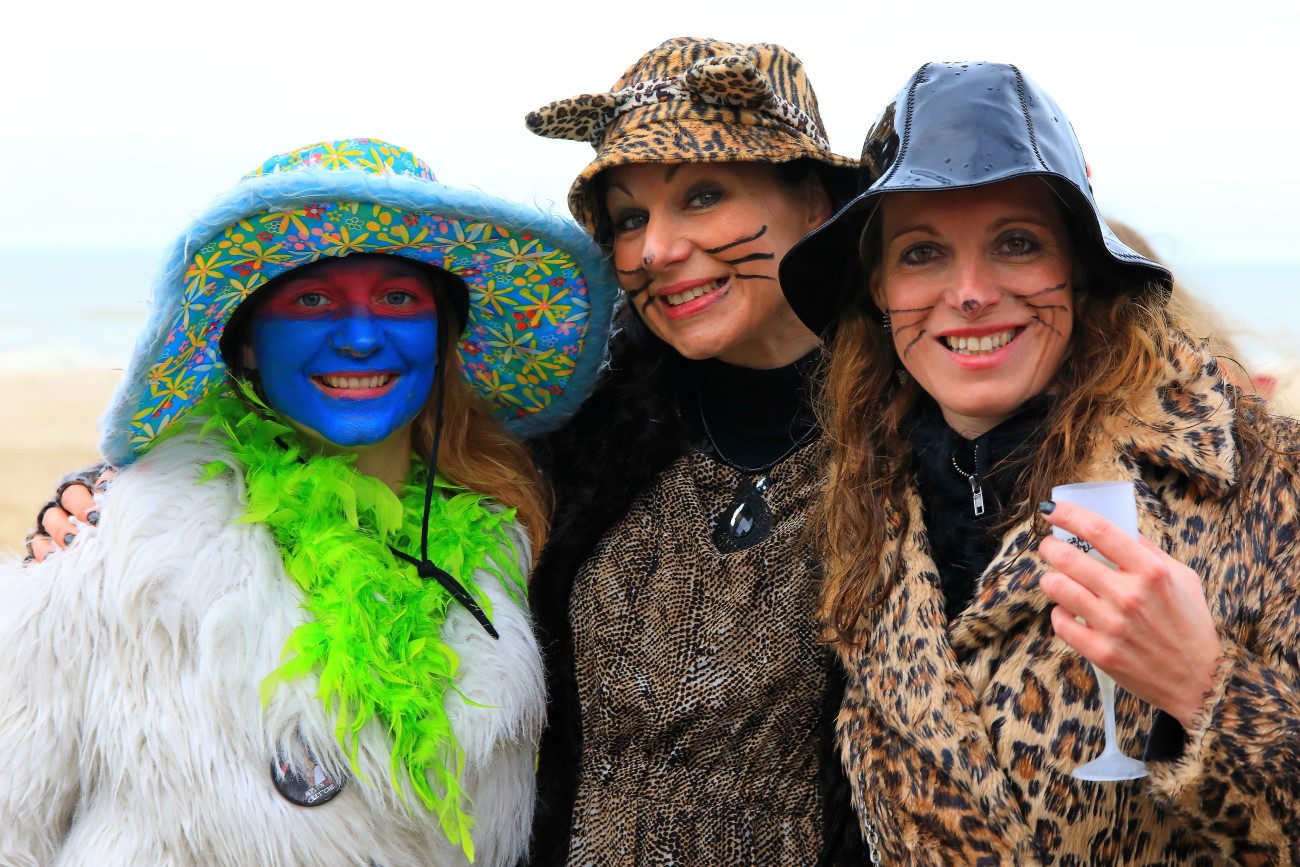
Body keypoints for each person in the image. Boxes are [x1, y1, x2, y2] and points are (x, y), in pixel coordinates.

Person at [0, 138, 616, 866]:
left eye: (398, 298)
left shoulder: (523, 553)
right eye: (312, 300)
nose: (359, 338)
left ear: (441, 336)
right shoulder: (115, 562)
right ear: (247, 344)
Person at [780, 61, 1300, 862]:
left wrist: (1205, 688)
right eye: (922, 253)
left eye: (1016, 243)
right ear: (878, 288)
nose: (971, 291)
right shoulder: (858, 506)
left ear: (1077, 267)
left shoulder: (1261, 480)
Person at [521, 37, 864, 864]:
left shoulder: (920, 441)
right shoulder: (571, 442)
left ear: (815, 204)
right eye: (629, 219)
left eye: (702, 196)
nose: (655, 250)